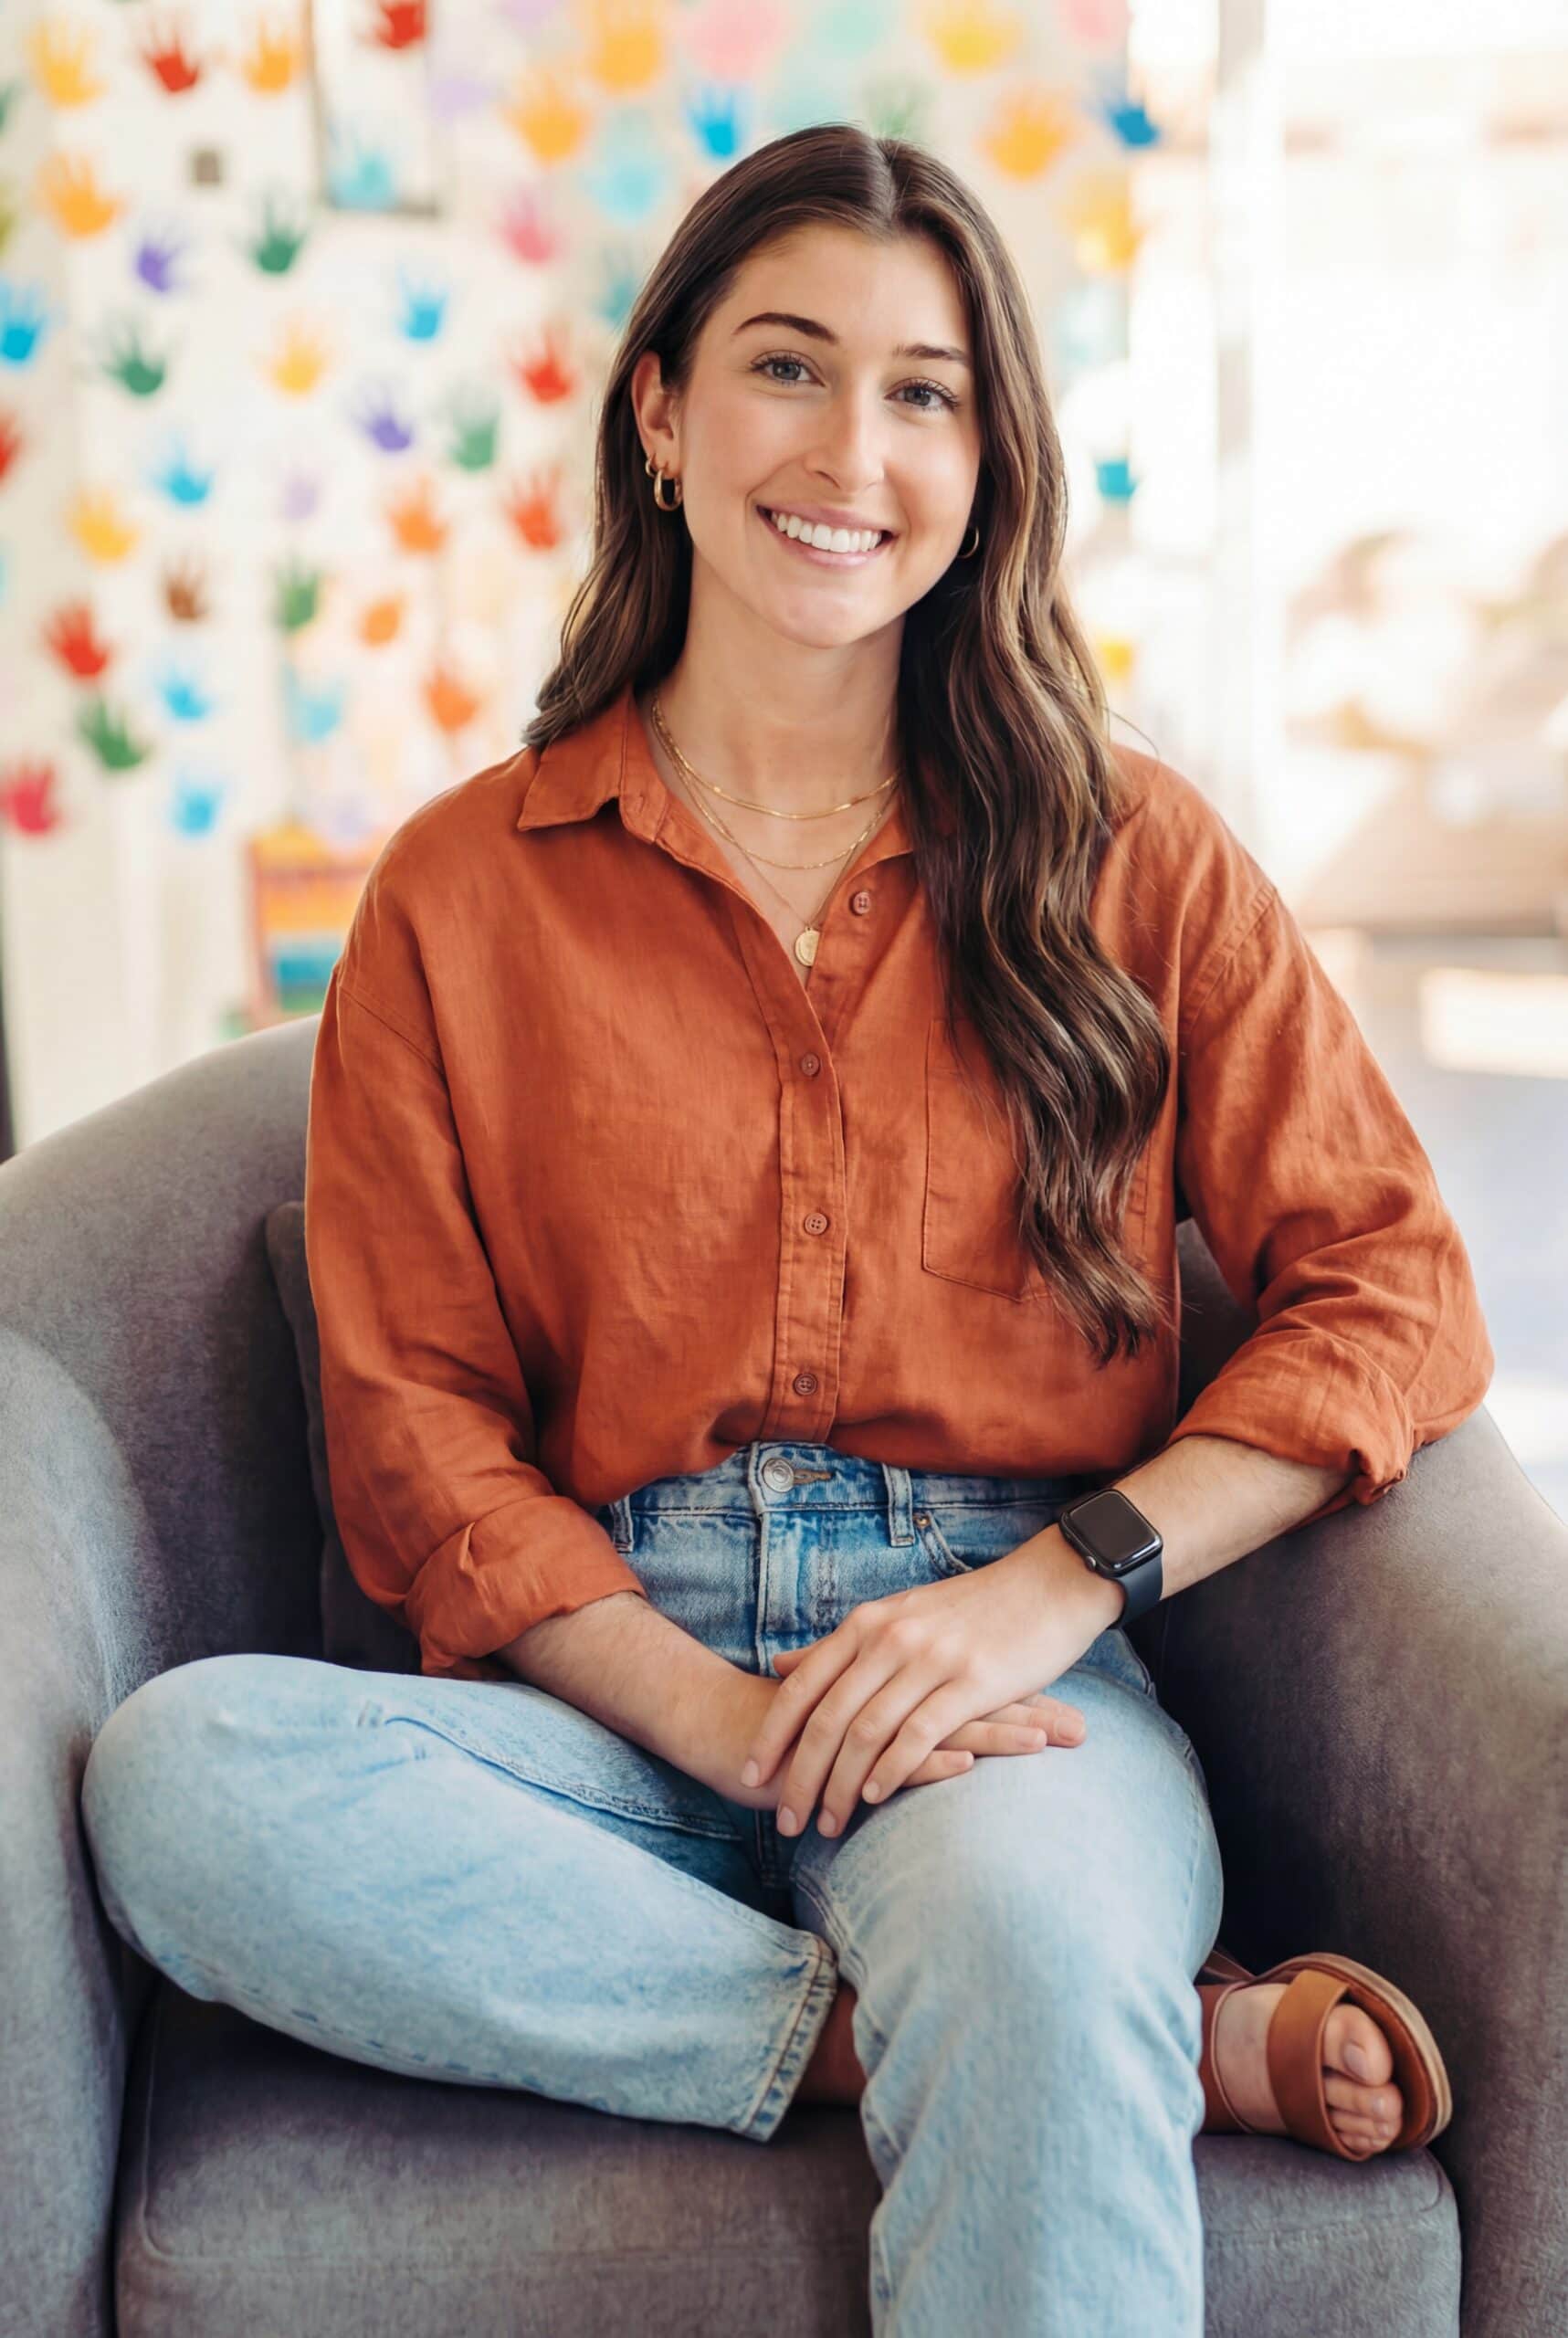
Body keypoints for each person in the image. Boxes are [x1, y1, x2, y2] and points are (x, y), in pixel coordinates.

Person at [79, 125, 1492, 2334]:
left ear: (985, 452)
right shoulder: (462, 893)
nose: (853, 448)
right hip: (610, 1704)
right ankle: (1005, 2035)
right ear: (659, 412)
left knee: (1022, 1936)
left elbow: (1392, 1288)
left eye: (923, 389)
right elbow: (419, 1440)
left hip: (999, 1696)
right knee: (183, 1782)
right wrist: (727, 1725)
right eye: (786, 366)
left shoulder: (1135, 854)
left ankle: (1041, 1992)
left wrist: (1050, 1590)